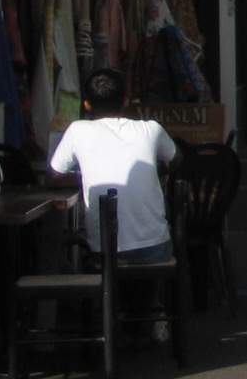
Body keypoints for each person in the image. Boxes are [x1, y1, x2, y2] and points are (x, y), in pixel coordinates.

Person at [50, 68, 177, 264]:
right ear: (126, 101)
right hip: (154, 247)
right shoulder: (151, 129)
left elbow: (54, 177)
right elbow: (177, 159)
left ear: (87, 105)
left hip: (104, 250)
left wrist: (88, 178)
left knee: (68, 249)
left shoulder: (77, 130)